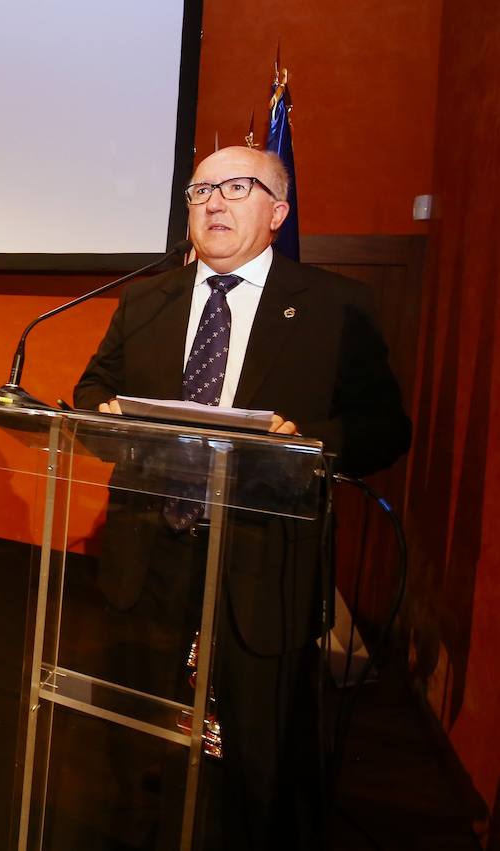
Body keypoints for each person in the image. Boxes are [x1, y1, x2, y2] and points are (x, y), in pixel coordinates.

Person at [73, 145, 411, 850]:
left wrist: (304, 440)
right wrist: (105, 421)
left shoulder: (335, 304)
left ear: (278, 211)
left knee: (260, 747)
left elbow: (384, 427)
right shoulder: (146, 297)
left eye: (237, 187)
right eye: (200, 192)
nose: (214, 203)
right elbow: (89, 391)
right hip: (151, 549)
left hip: (265, 558)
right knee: (137, 722)